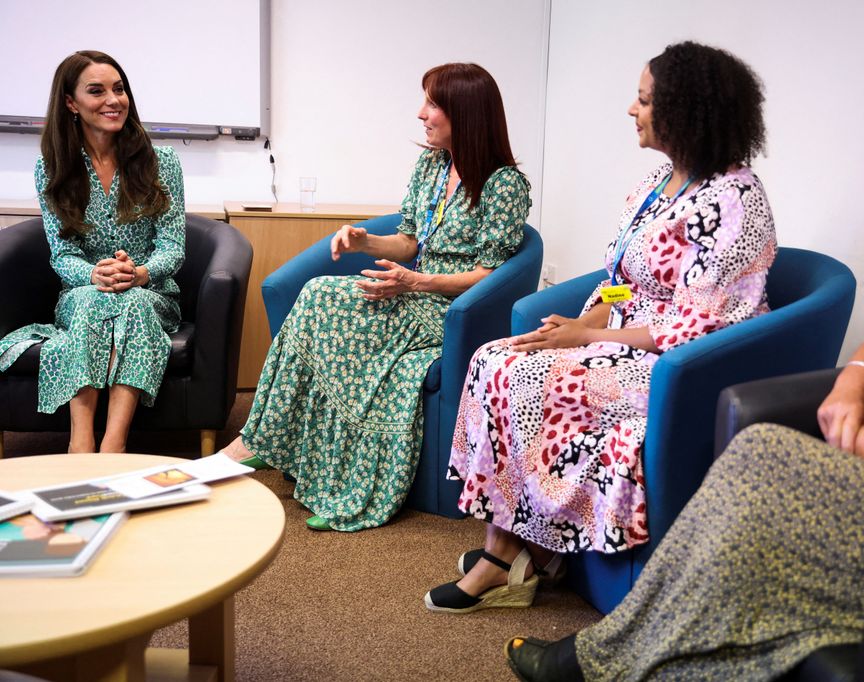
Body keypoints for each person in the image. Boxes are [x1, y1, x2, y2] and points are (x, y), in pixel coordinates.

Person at [502, 63, 864, 681]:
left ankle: (597, 661)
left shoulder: (737, 199)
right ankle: (591, 629)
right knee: (758, 450)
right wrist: (854, 380)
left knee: (757, 508)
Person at [425, 41, 777, 614]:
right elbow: (622, 282)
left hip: (675, 364)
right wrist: (583, 319)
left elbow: (696, 322)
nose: (631, 111)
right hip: (619, 338)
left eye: (642, 101)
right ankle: (525, 546)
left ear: (687, 112)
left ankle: (504, 558)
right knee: (497, 356)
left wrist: (588, 338)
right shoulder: (660, 183)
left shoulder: (734, 201)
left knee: (535, 379)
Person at [222, 63, 531, 532]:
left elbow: (491, 274)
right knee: (318, 294)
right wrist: (363, 240)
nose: (420, 113)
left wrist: (416, 282)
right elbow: (409, 240)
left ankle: (266, 441)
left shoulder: (503, 185)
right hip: (412, 290)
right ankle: (265, 439)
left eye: (432, 104)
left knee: (324, 302)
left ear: (465, 114)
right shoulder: (432, 165)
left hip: (449, 310)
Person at [0, 51, 185, 454]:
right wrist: (94, 276)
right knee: (90, 301)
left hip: (152, 292)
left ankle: (112, 444)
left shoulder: (162, 161)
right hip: (83, 290)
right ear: (71, 103)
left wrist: (138, 273)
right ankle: (80, 442)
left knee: (132, 302)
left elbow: (173, 248)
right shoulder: (51, 167)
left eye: (119, 89)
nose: (113, 100)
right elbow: (61, 253)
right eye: (97, 91)